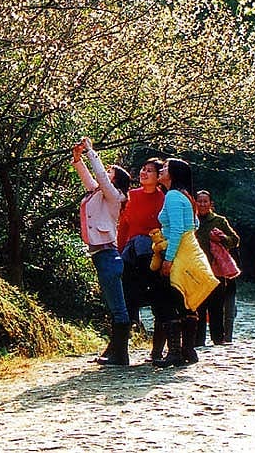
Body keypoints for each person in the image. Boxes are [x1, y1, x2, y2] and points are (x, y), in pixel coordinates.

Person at [71, 137, 132, 365]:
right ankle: (115, 351)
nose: (105, 173)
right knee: (113, 305)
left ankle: (120, 355)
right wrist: (78, 159)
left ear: (116, 180)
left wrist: (91, 152)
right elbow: (90, 179)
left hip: (108, 255)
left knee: (118, 308)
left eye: (110, 172)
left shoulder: (114, 197)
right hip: (101, 256)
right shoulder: (98, 194)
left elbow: (101, 179)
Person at [152, 158, 218, 367]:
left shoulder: (172, 196)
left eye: (164, 168)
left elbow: (179, 230)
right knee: (186, 301)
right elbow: (194, 224)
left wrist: (168, 259)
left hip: (179, 252)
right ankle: (188, 349)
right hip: (191, 250)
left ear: (172, 174)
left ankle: (175, 352)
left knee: (168, 300)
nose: (160, 170)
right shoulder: (186, 197)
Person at [117, 158, 166, 360]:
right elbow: (124, 226)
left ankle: (157, 349)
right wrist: (118, 253)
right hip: (131, 253)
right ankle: (121, 349)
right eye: (143, 170)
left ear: (158, 177)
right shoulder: (131, 196)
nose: (144, 173)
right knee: (127, 297)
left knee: (158, 298)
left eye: (149, 171)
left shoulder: (164, 198)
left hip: (154, 252)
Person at [194, 190, 241, 346]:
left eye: (205, 201)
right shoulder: (190, 221)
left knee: (216, 306)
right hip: (196, 270)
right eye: (199, 201)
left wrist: (222, 237)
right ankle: (197, 341)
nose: (202, 204)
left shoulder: (219, 221)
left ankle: (218, 340)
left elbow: (235, 240)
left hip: (216, 270)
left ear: (211, 204)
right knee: (198, 306)